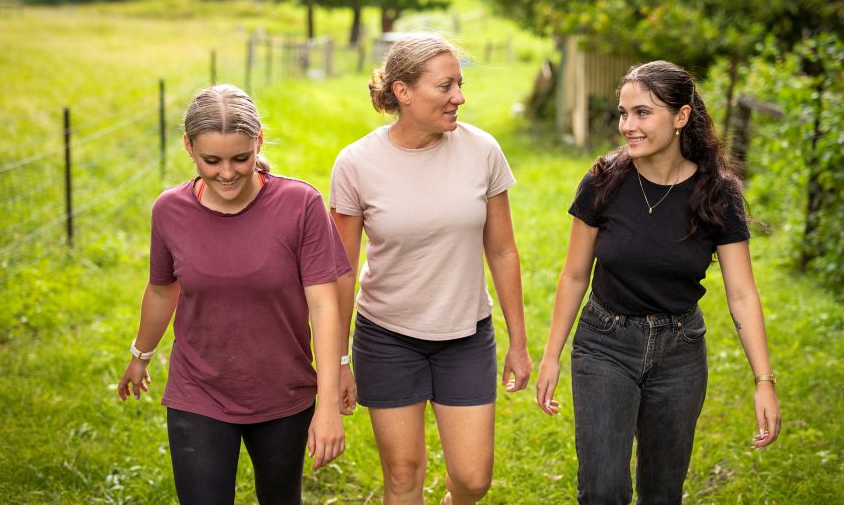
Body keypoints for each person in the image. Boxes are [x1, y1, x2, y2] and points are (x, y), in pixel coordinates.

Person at [535, 61, 781, 504]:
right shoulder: (603, 181)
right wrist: (551, 355)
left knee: (662, 493)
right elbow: (574, 274)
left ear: (681, 117)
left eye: (642, 113)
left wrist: (763, 380)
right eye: (623, 113)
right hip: (605, 344)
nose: (627, 125)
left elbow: (742, 293)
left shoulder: (717, 192)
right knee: (604, 491)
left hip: (680, 352)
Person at [117, 84, 350, 504]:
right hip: (198, 389)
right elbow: (160, 289)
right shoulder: (169, 210)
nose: (226, 173)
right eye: (211, 160)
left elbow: (324, 306)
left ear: (258, 141)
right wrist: (141, 355)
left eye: (240, 158)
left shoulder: (300, 204)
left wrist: (328, 405)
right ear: (188, 147)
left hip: (282, 393)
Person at [329, 33, 532, 505]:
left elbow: (502, 251)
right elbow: (340, 270)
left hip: (464, 335)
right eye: (445, 87)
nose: (459, 97)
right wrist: (339, 359)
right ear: (403, 91)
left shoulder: (482, 151)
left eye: (459, 84)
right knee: (402, 474)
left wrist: (518, 343)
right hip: (386, 336)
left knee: (473, 478)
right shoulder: (356, 163)